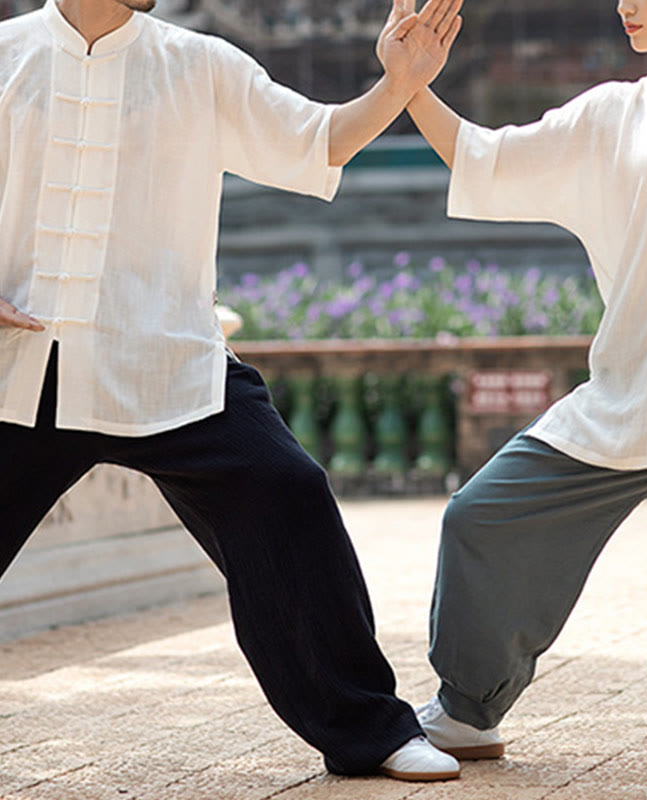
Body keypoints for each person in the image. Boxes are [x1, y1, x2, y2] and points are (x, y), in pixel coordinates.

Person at [0, 0, 464, 782]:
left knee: (287, 489)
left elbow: (317, 140)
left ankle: (369, 728)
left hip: (167, 355)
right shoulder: (7, 57)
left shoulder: (200, 64)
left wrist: (398, 84)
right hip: (20, 367)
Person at [399, 0, 647, 759]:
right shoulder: (611, 116)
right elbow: (488, 158)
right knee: (482, 518)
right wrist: (412, 86)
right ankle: (467, 712)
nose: (624, 6)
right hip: (636, 392)